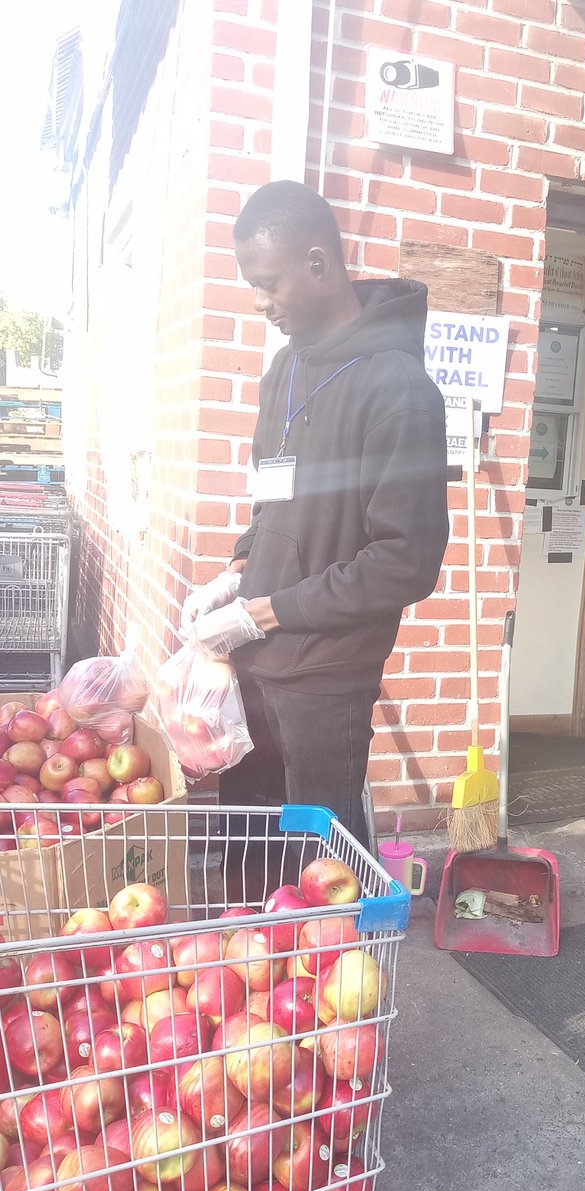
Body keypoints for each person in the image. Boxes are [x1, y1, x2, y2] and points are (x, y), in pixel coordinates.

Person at [181, 180, 449, 883]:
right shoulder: (282, 372)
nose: (260, 303)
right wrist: (235, 573)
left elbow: (406, 561)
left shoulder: (399, 389)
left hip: (326, 681)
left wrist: (266, 610)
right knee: (249, 860)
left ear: (320, 263)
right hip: (256, 665)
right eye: (252, 285)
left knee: (321, 878)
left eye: (268, 284)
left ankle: (341, 988)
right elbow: (273, 499)